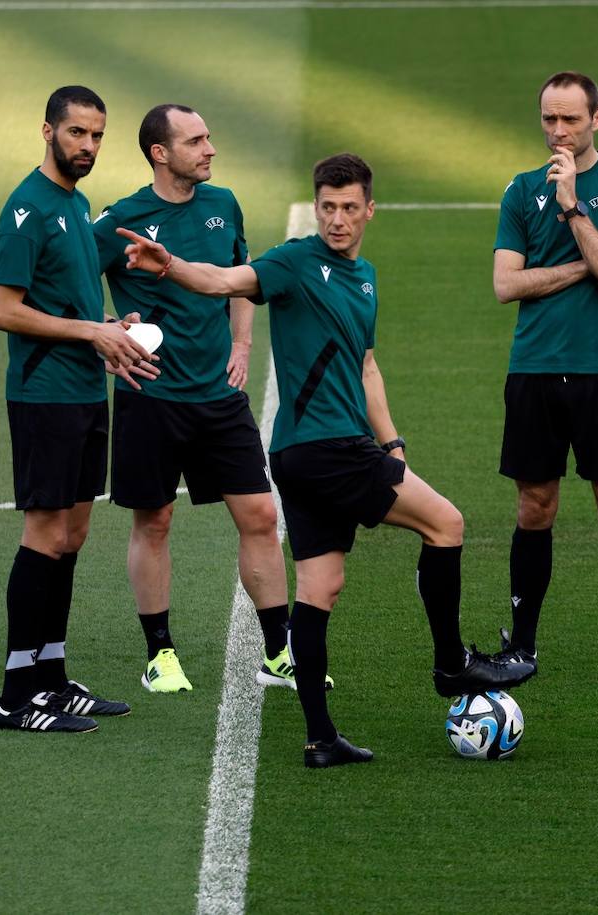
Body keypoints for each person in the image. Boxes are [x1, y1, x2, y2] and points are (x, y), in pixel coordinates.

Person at [117, 153, 535, 767]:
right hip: (327, 449)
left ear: (369, 210)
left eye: (348, 208)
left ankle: (320, 738)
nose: (337, 219)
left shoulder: (364, 276)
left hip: (309, 453)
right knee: (446, 524)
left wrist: (390, 443)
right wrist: (172, 265)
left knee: (320, 587)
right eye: (327, 207)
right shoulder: (293, 262)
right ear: (317, 208)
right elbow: (224, 281)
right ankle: (451, 665)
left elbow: (366, 367)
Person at [93, 104, 320, 695]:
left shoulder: (223, 205)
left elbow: (242, 274)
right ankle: (160, 653)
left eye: (208, 138)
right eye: (196, 141)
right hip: (151, 395)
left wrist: (242, 342)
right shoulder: (121, 220)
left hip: (218, 396)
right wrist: (107, 328)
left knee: (260, 516)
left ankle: (277, 652)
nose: (210, 149)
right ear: (159, 153)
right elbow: (64, 286)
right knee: (156, 519)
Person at [0, 86, 150, 732]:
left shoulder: (78, 206)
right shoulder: (26, 209)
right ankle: (15, 693)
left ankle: (51, 677)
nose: (87, 146)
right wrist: (91, 334)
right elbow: (4, 309)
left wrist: (112, 328)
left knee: (75, 534)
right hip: (44, 395)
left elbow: (71, 305)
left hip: (86, 390)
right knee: (45, 535)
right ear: (48, 131)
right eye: (76, 133)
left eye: (97, 136)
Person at [491, 70, 598, 684]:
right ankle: (524, 645)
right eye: (548, 120)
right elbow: (507, 285)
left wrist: (572, 209)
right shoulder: (518, 191)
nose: (557, 132)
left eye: (569, 119)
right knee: (535, 506)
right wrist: (586, 257)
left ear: (597, 119)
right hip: (533, 370)